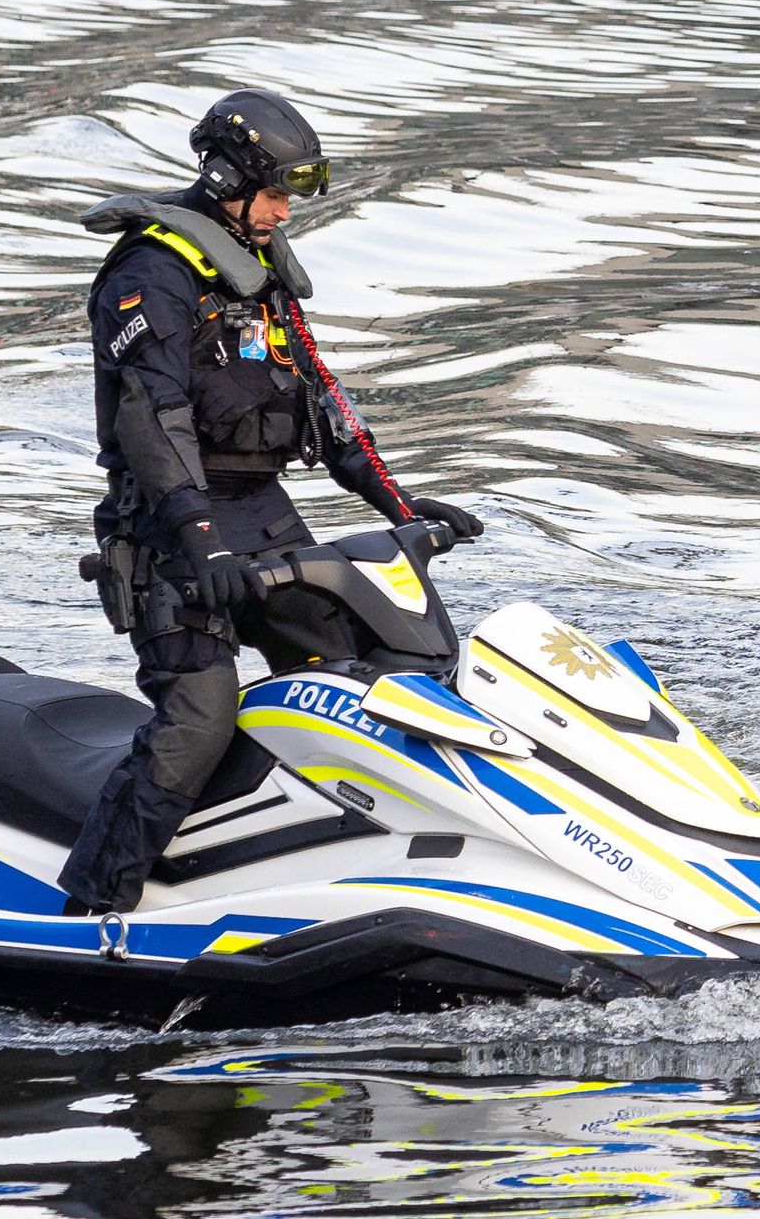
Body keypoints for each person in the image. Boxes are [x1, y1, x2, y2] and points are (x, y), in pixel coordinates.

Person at [53, 87, 478, 912]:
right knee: (197, 723)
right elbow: (154, 418)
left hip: (261, 507)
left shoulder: (257, 273)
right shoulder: (151, 273)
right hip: (169, 523)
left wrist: (397, 503)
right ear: (225, 178)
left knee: (366, 674)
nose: (287, 211)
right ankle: (95, 906)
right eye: (279, 191)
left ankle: (337, 862)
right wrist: (200, 540)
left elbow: (322, 393)